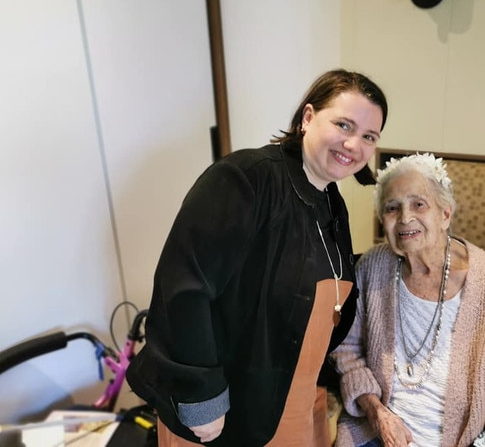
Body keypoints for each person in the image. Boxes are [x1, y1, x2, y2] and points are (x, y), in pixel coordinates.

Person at [125, 69, 389, 446]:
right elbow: (183, 286)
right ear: (308, 117)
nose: (354, 144)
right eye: (343, 124)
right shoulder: (247, 178)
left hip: (287, 399)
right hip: (226, 409)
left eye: (368, 137)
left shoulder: (331, 203)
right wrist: (202, 398)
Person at [330, 153, 485, 447]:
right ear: (382, 221)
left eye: (419, 204)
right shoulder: (371, 268)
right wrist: (376, 412)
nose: (405, 218)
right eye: (392, 208)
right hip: (377, 436)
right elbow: (347, 350)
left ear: (445, 214)